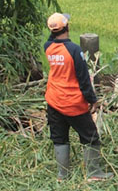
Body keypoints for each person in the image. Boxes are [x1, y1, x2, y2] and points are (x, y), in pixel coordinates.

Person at [44, 12, 113, 182]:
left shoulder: (48, 47)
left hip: (53, 101)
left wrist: (53, 28)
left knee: (59, 138)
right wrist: (92, 100)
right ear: (67, 27)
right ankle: (94, 173)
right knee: (90, 136)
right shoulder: (74, 50)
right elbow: (83, 79)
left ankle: (62, 175)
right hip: (73, 102)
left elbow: (52, 37)